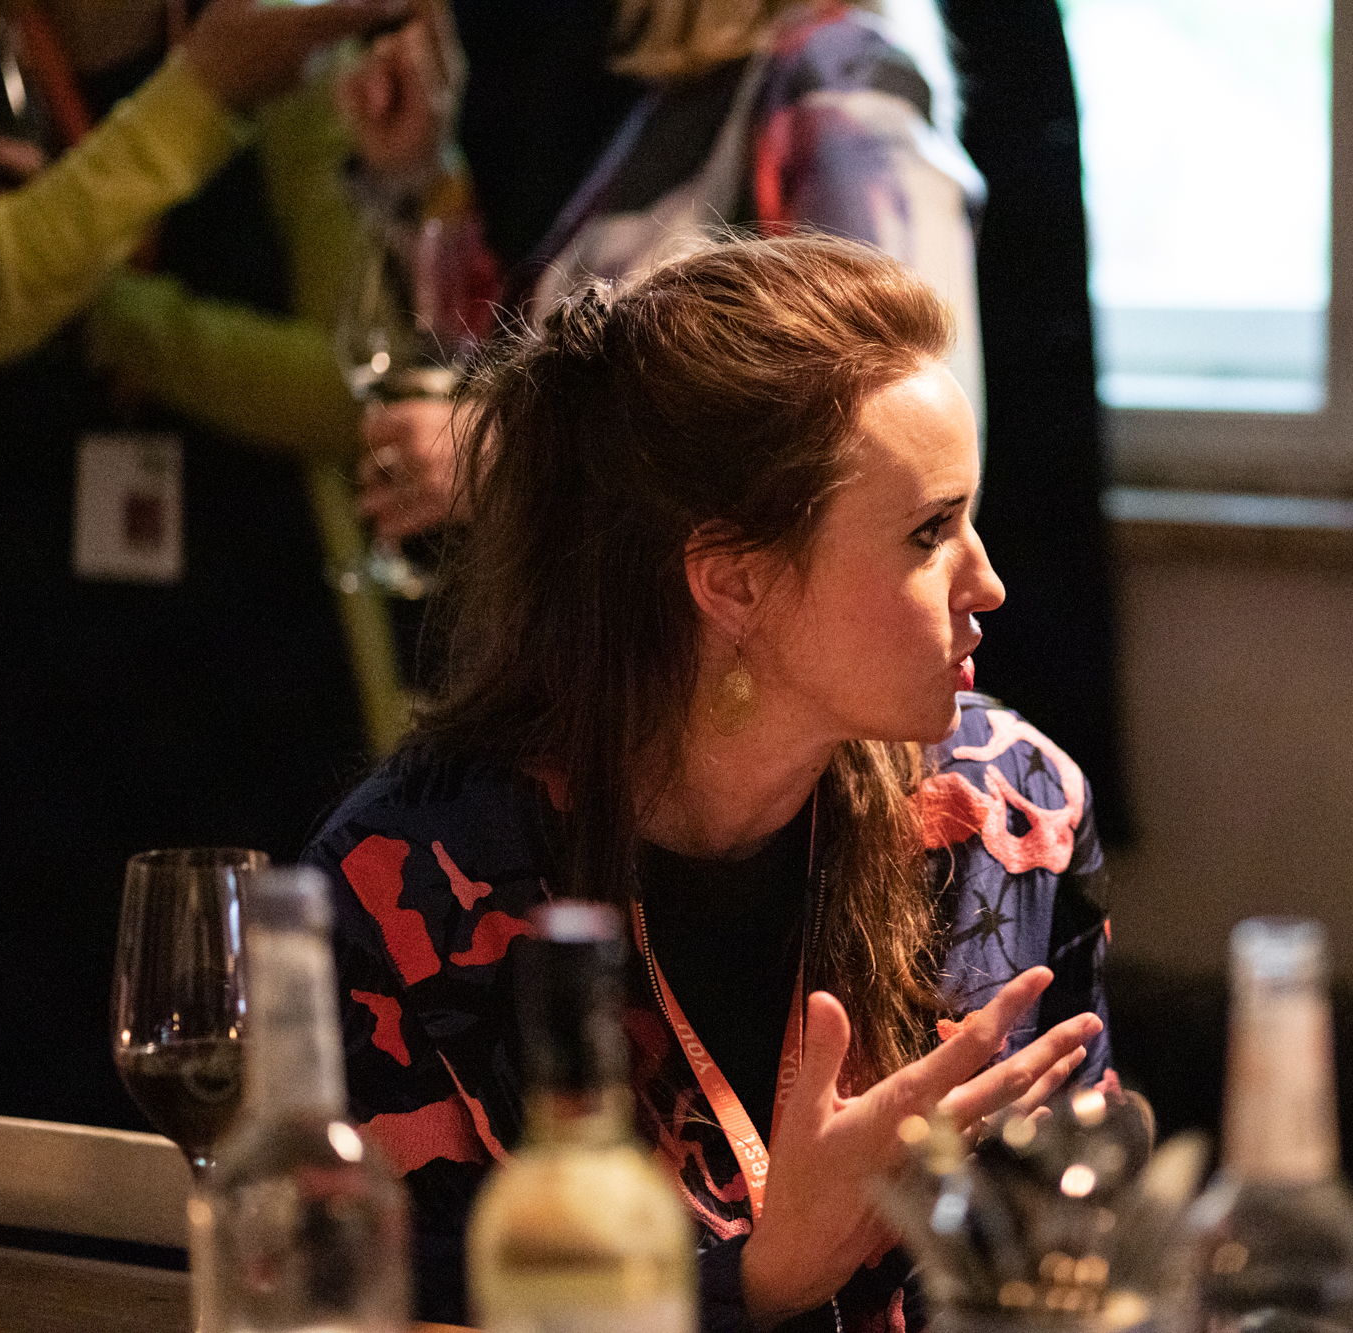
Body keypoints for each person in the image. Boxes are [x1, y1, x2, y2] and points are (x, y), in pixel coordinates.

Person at [303, 235, 1113, 1330]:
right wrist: (759, 1281)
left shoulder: (1010, 814)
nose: (989, 582)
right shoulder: (409, 890)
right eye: (929, 533)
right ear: (732, 583)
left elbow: (1082, 1250)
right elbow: (380, 1302)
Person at [0, 0, 412, 1128]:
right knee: (0, 1110)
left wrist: (118, 316)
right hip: (6, 690)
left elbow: (359, 388)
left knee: (269, 1108)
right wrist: (201, 90)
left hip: (258, 671)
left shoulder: (291, 59)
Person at [343, 0, 981, 551]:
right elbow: (513, 362)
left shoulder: (840, 79)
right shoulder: (696, 97)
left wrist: (514, 460)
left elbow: (901, 446)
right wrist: (417, 177)